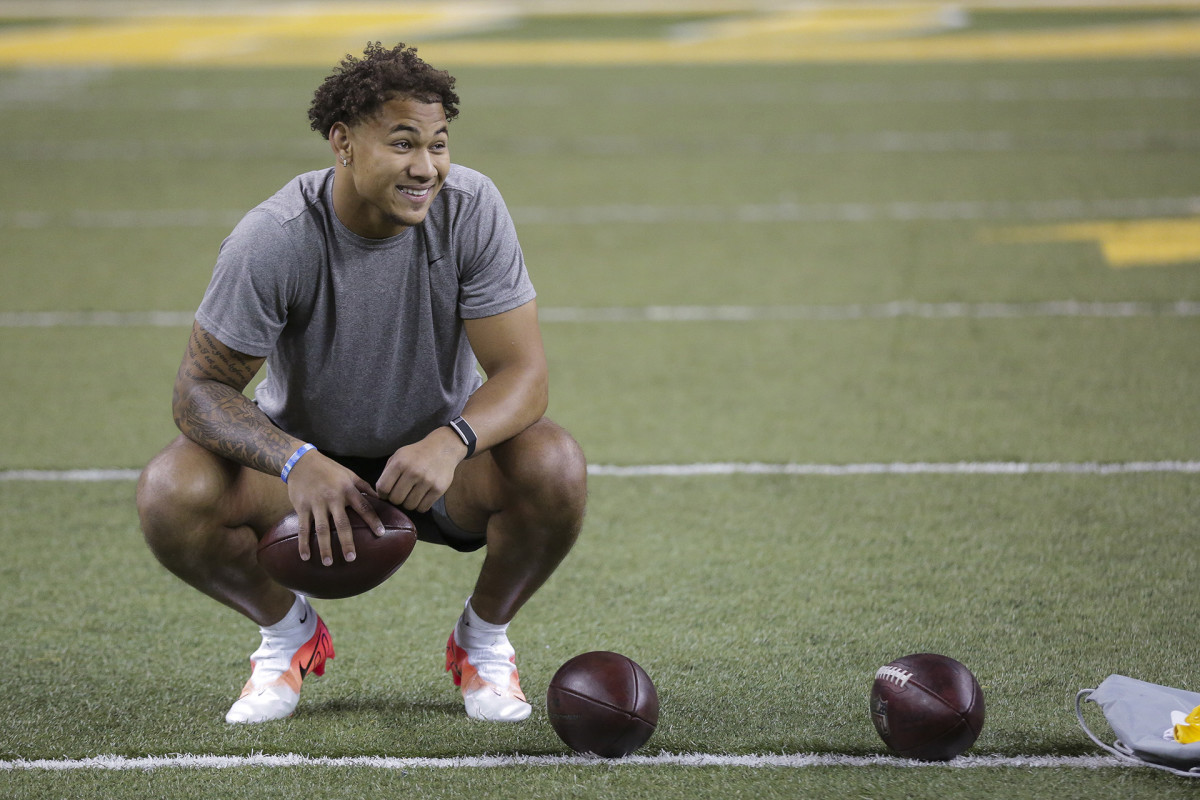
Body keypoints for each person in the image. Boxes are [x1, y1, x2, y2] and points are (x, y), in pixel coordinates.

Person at [136, 42, 587, 725]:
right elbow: (197, 391)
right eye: (403, 144)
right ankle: (287, 632)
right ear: (342, 143)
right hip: (305, 463)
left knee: (554, 465)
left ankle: (482, 641)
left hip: (439, 461)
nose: (426, 167)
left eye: (437, 145)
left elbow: (524, 375)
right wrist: (295, 461)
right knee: (172, 492)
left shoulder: (470, 206)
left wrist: (452, 440)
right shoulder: (276, 236)